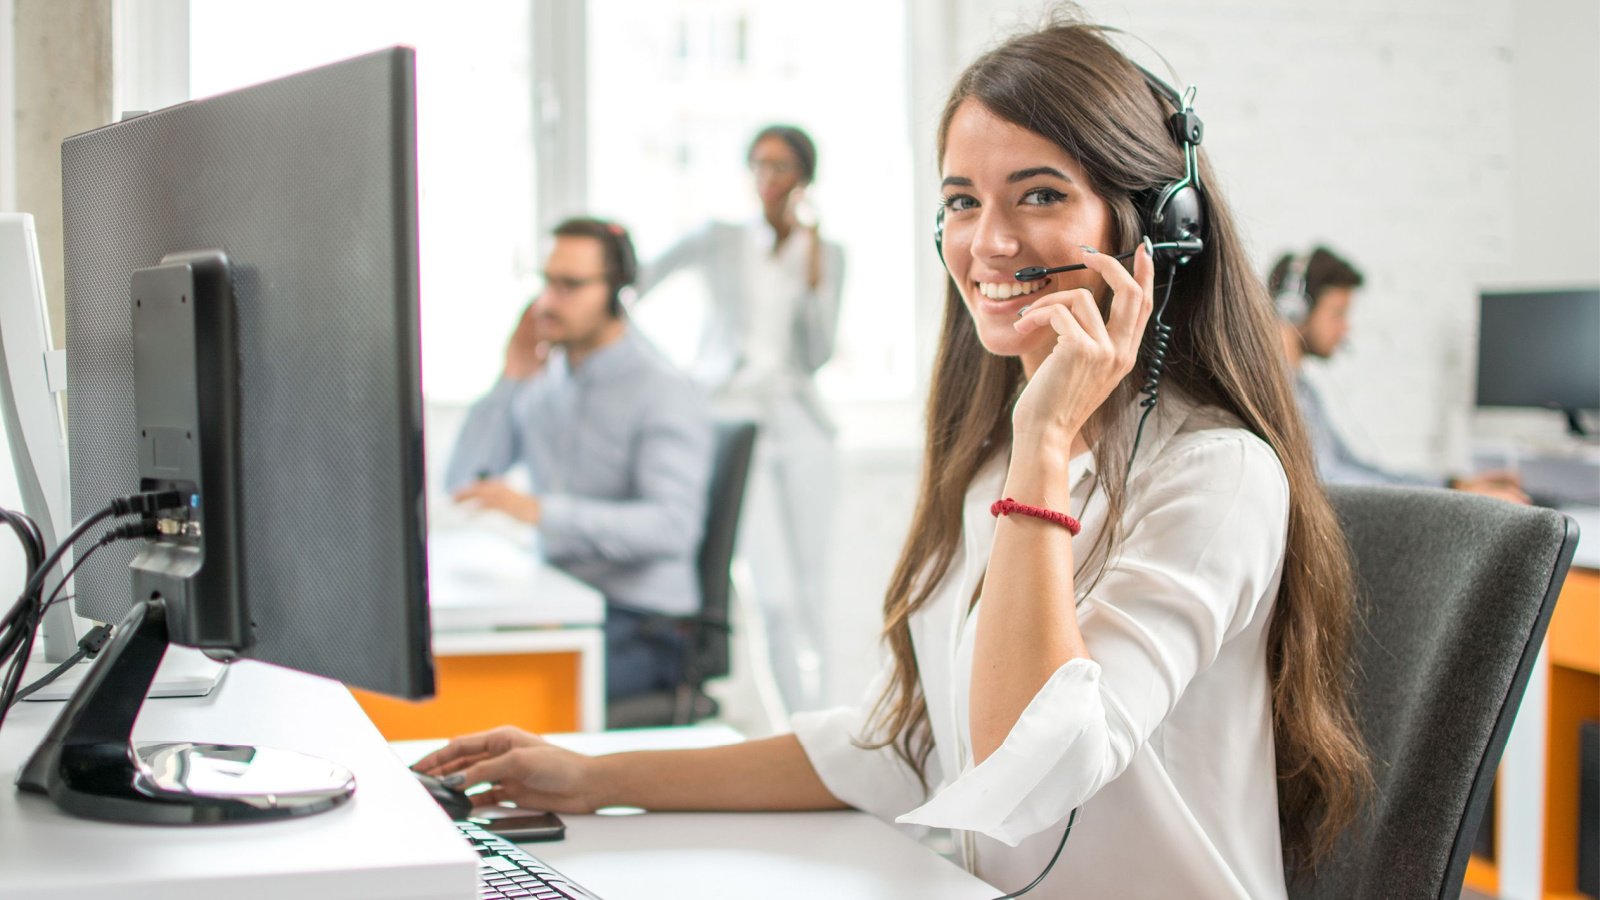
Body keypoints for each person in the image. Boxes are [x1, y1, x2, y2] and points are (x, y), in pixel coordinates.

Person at [418, 17, 1370, 897]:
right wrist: (594, 777)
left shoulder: (1215, 475)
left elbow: (1020, 770)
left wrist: (1045, 444)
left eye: (1038, 194)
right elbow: (911, 746)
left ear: (1159, 226)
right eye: (962, 201)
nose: (988, 243)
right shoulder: (998, 461)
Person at [445, 217, 714, 702]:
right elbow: (464, 482)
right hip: (560, 604)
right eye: (546, 282)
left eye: (570, 286)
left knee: (495, 698)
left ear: (616, 293)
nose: (548, 301)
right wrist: (510, 378)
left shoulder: (663, 389)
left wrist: (541, 512)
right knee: (451, 670)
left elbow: (673, 527)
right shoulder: (545, 381)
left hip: (642, 625)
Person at [632, 124, 846, 712]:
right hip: (731, 418)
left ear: (803, 177)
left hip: (799, 423)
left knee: (811, 591)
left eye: (779, 167)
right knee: (771, 594)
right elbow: (635, 285)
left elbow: (818, 352)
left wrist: (813, 277)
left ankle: (823, 723)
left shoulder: (826, 255)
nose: (766, 179)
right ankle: (790, 730)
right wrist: (680, 378)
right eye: (758, 165)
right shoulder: (719, 240)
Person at [1269, 246, 1528, 502]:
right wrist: (1456, 499)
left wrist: (1452, 485)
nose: (1345, 329)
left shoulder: (1304, 392)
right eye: (1338, 313)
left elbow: (1357, 469)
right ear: (1294, 309)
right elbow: (1330, 482)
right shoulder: (1276, 394)